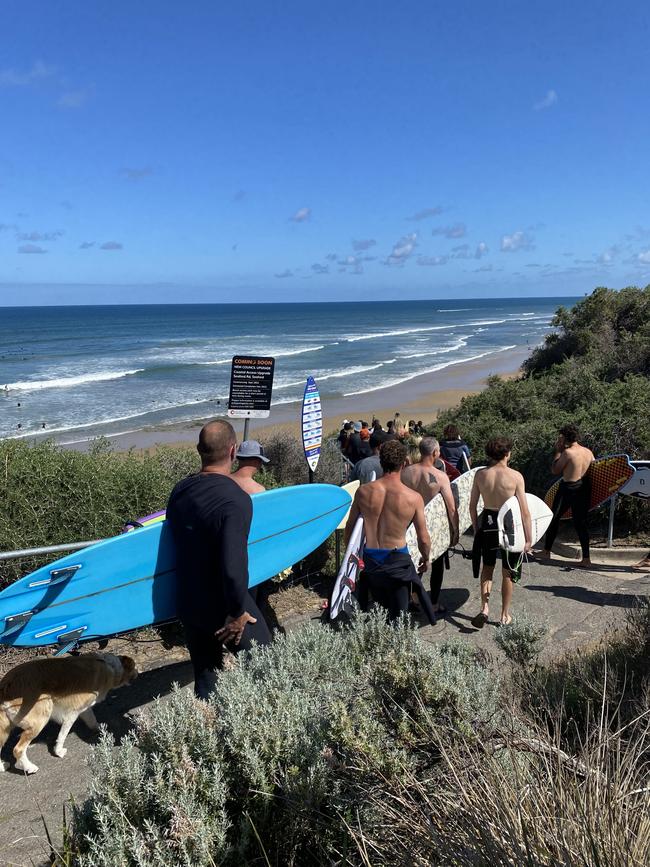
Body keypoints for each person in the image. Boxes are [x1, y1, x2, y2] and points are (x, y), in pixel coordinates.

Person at [166, 419, 272, 699]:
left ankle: (208, 735)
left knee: (206, 676)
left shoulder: (180, 491)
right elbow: (233, 565)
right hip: (222, 605)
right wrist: (237, 613)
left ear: (199, 450)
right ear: (233, 451)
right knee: (269, 666)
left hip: (189, 602)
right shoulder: (235, 500)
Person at [345, 440, 436, 623]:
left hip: (371, 560)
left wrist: (351, 556)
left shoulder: (363, 492)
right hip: (398, 561)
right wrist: (426, 559)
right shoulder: (413, 498)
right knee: (399, 617)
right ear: (404, 463)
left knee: (378, 612)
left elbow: (350, 526)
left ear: (381, 462)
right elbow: (423, 538)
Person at [469, 436, 532, 628]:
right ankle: (505, 615)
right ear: (507, 454)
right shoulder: (515, 476)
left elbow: (472, 506)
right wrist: (529, 540)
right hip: (508, 524)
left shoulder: (480, 475)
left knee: (487, 567)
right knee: (508, 572)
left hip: (488, 522)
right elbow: (525, 512)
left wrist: (476, 528)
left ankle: (484, 608)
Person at [401, 437, 459, 615]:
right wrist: (455, 531)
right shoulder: (440, 477)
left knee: (411, 562)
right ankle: (433, 603)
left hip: (409, 523)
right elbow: (451, 507)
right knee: (437, 564)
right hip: (432, 526)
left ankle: (412, 598)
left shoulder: (406, 473)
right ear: (435, 453)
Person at [541, 424, 594, 566]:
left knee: (554, 518)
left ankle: (546, 551)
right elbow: (594, 469)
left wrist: (558, 451)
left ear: (565, 437)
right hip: (584, 488)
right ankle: (586, 559)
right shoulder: (588, 452)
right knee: (580, 523)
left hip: (568, 488)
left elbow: (555, 470)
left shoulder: (568, 453)